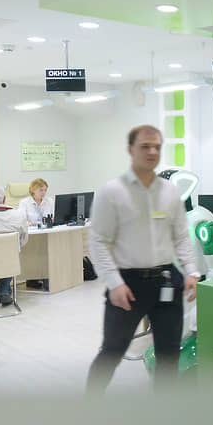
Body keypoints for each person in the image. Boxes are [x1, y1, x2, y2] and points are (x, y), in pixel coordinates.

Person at [86, 124, 200, 394]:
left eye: (157, 147)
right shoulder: (112, 192)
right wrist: (114, 283)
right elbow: (98, 241)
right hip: (127, 283)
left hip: (167, 280)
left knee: (169, 354)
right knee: (112, 351)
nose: (152, 152)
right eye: (145, 146)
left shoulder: (170, 192)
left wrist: (192, 271)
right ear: (130, 150)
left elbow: (181, 237)